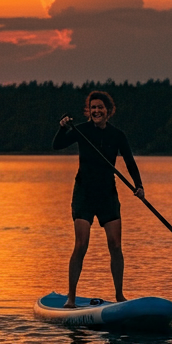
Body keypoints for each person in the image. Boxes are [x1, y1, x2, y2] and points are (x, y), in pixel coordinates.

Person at [52, 91, 145, 305]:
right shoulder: (81, 131)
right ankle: (71, 297)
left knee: (115, 244)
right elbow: (57, 146)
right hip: (84, 193)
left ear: (108, 111)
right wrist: (62, 127)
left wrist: (139, 185)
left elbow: (130, 162)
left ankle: (120, 295)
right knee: (81, 244)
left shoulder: (117, 135)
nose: (96, 111)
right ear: (89, 111)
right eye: (93, 107)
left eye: (100, 108)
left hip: (107, 194)